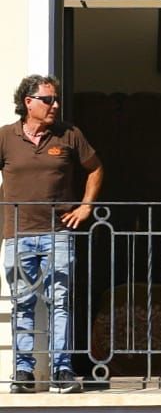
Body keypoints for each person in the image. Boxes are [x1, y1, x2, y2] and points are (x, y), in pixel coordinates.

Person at [0, 74, 102, 392]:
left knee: (60, 301)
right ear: (28, 102)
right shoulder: (6, 137)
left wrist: (86, 207)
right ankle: (24, 372)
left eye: (55, 99)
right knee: (23, 302)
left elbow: (96, 168)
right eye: (48, 100)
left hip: (58, 232)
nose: (54, 105)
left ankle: (62, 370)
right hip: (18, 234)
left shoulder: (69, 134)